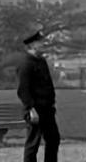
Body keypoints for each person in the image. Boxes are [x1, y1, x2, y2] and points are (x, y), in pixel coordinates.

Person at [19, 30, 61, 162]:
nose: (43, 44)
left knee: (53, 139)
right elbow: (23, 90)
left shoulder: (41, 61)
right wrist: (31, 109)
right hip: (35, 109)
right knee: (33, 143)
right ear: (32, 45)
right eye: (40, 42)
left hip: (47, 108)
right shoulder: (26, 64)